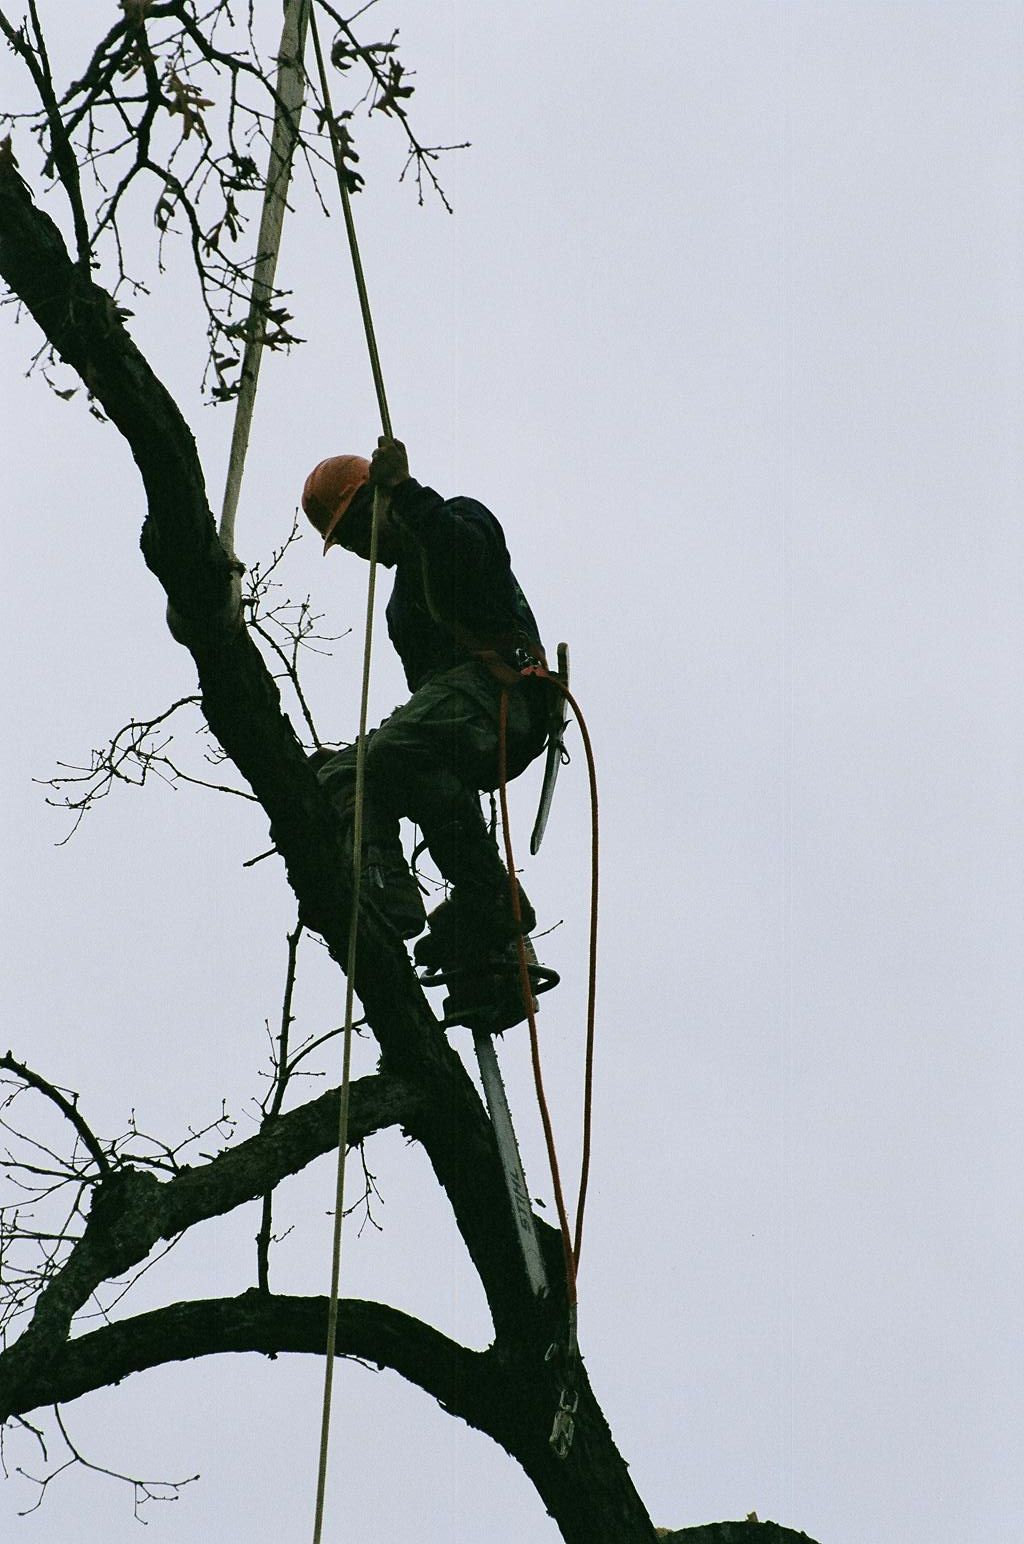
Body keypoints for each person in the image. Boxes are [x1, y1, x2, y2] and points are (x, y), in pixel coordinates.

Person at [301, 436, 551, 1028]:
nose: (363, 549)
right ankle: (489, 903)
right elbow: (426, 708)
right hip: (467, 712)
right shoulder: (399, 611)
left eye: (362, 528)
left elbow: (466, 558)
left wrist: (408, 494)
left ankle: (382, 889)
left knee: (352, 771)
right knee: (408, 773)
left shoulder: (455, 517)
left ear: (380, 500)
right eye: (351, 544)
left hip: (502, 693)